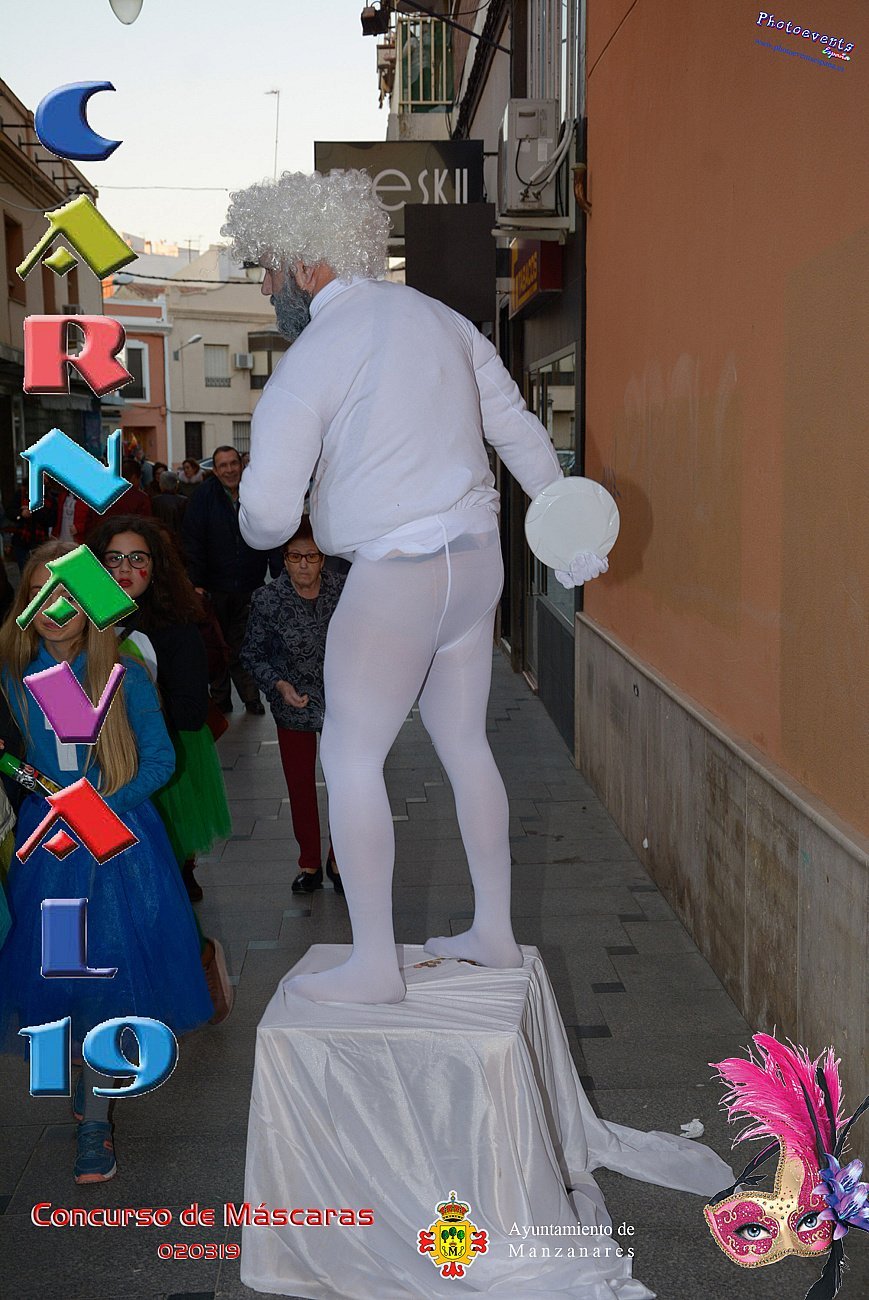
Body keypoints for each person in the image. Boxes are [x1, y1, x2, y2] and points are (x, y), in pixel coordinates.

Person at [222, 169, 607, 1005]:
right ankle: (493, 931)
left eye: (269, 267)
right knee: (463, 744)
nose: (265, 286)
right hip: (475, 564)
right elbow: (516, 429)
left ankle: (372, 965)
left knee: (349, 753)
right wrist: (565, 521)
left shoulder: (311, 357)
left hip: (396, 573)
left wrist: (259, 515)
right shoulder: (442, 320)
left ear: (308, 264)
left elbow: (267, 517)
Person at [0, 541, 213, 1182]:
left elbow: (160, 760)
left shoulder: (124, 674)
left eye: (68, 595)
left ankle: (94, 1121)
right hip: (49, 844)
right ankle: (85, 1085)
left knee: (103, 975)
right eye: (40, 595)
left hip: (114, 843)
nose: (53, 608)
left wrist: (99, 806)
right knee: (58, 972)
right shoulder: (14, 675)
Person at [88, 517, 234, 1018]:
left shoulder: (174, 626)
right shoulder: (83, 617)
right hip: (98, 769)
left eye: (138, 558)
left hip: (164, 768)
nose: (125, 569)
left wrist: (133, 712)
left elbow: (191, 712)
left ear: (156, 566)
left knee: (157, 879)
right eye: (113, 558)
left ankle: (200, 962)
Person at [242, 516, 344, 895]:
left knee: (345, 784)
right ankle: (310, 862)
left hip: (341, 705)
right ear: (284, 559)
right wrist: (278, 685)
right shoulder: (268, 600)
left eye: (311, 556)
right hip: (293, 707)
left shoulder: (342, 591)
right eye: (295, 556)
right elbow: (252, 654)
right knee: (300, 786)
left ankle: (340, 858)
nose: (303, 565)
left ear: (323, 558)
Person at [181, 446, 266, 715]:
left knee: (245, 644)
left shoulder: (254, 493)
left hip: (249, 584)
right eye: (223, 465)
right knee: (217, 644)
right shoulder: (203, 498)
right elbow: (192, 542)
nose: (229, 470)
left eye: (233, 463)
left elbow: (269, 530)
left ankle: (251, 697)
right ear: (215, 471)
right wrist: (196, 582)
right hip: (214, 586)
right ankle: (221, 699)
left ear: (241, 465)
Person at [81, 457, 152, 539]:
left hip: (100, 541)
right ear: (134, 477)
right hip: (128, 542)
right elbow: (145, 528)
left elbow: (89, 524)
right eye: (139, 479)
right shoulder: (140, 498)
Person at [151, 469, 187, 534]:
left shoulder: (154, 501)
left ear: (161, 485)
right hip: (178, 535)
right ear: (176, 485)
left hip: (159, 535)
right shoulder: (184, 501)